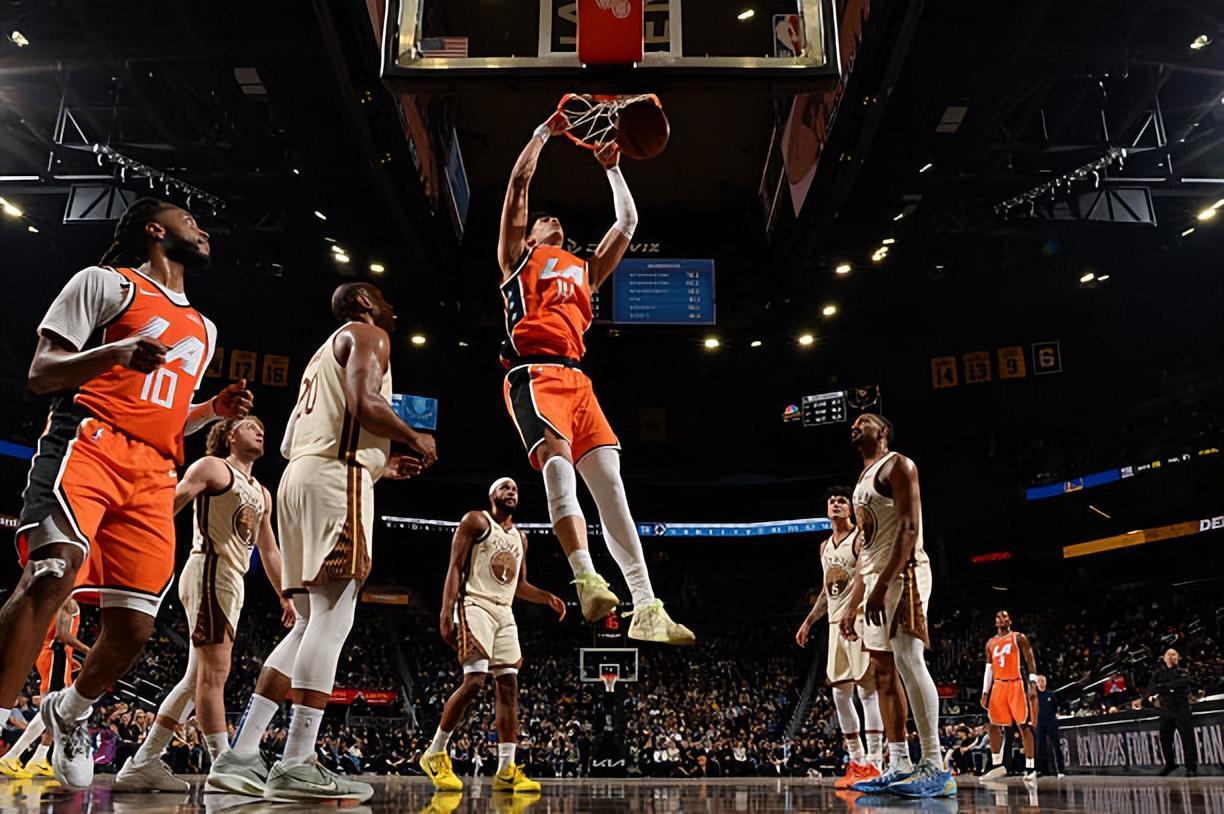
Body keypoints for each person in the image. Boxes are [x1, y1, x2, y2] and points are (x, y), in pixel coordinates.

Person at [0, 198, 251, 790]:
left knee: (134, 628)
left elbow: (161, 411)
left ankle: (70, 711)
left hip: (155, 470)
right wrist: (113, 352)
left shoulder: (206, 329)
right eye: (191, 222)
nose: (203, 230)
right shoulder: (105, 283)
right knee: (50, 572)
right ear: (155, 230)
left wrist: (209, 411)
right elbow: (42, 372)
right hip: (89, 443)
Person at [496, 112, 693, 645]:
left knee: (612, 491)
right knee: (558, 468)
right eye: (542, 220)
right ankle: (585, 576)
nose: (551, 219)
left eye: (554, 219)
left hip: (579, 382)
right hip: (534, 371)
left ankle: (647, 605)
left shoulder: (584, 270)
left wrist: (613, 169)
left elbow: (627, 224)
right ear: (530, 235)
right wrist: (542, 133)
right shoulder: (517, 259)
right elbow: (519, 184)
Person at [258, 283, 436, 802]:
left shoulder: (319, 356)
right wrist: (413, 436)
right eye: (384, 299)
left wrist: (378, 463)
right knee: (333, 619)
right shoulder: (368, 333)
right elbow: (364, 402)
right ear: (363, 302)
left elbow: (290, 442)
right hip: (338, 478)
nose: (391, 308)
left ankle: (242, 753)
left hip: (299, 478)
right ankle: (296, 761)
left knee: (307, 622)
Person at [113, 415, 294, 792]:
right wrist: (132, 534)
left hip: (232, 579)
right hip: (210, 566)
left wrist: (284, 593)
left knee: (195, 679)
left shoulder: (262, 492)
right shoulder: (213, 467)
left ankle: (143, 763)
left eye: (262, 427)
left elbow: (270, 551)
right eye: (249, 425)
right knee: (215, 673)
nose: (260, 430)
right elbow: (172, 503)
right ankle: (224, 764)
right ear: (230, 435)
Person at [419, 478, 566, 794]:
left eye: (515, 489)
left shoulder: (520, 538)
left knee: (509, 685)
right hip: (475, 603)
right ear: (491, 495)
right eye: (505, 487)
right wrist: (446, 611)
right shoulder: (476, 521)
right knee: (474, 680)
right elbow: (455, 567)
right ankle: (435, 752)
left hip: (504, 611)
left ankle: (506, 770)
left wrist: (547, 597)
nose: (512, 491)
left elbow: (519, 585)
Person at [840, 414, 955, 799]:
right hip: (875, 579)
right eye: (854, 423)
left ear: (884, 432)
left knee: (909, 660)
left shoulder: (899, 466)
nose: (856, 426)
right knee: (883, 672)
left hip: (903, 574)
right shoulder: (861, 481)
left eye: (865, 421)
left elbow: (908, 528)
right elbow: (866, 548)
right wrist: (855, 602)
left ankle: (935, 765)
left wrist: (884, 583)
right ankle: (900, 762)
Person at [794, 486, 883, 787]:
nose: (835, 504)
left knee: (866, 690)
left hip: (858, 620)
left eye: (841, 501)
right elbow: (826, 591)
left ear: (851, 508)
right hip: (834, 624)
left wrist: (853, 610)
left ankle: (875, 762)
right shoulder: (824, 547)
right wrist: (808, 622)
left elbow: (864, 577)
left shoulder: (859, 538)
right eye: (831, 501)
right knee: (840, 694)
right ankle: (857, 760)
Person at [0, 598, 89, 778]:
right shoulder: (68, 601)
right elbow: (62, 636)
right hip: (56, 655)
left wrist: (70, 658)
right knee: (51, 710)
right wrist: (90, 651)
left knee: (58, 711)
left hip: (55, 655)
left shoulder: (57, 601)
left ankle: (39, 758)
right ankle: (12, 757)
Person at [980, 609, 1039, 780]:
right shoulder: (990, 643)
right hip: (998, 685)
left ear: (1010, 621)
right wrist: (985, 691)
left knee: (1023, 725)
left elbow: (1030, 660)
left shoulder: (1018, 637)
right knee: (993, 724)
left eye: (1005, 616)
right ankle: (997, 764)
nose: (1002, 619)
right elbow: (988, 669)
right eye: (998, 617)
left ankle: (1031, 767)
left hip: (1015, 683)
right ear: (995, 622)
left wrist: (1033, 683)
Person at [1148, 648, 1198, 777]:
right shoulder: (1158, 674)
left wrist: (1162, 688)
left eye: (1174, 654)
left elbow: (1181, 683)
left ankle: (1191, 767)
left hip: (1181, 709)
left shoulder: (1183, 672)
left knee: (1187, 738)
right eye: (1168, 654)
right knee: (1165, 738)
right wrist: (1166, 689)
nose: (1171, 656)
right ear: (1164, 658)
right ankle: (1170, 764)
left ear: (1178, 658)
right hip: (1166, 709)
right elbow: (1152, 689)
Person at [1033, 675, 1065, 777]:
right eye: (1039, 681)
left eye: (1043, 681)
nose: (1041, 683)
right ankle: (1042, 770)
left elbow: (1055, 707)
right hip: (1040, 723)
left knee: (1056, 745)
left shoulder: (1051, 694)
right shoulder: (1035, 696)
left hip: (1051, 722)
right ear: (1036, 683)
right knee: (1040, 747)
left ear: (1046, 682)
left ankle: (1060, 770)